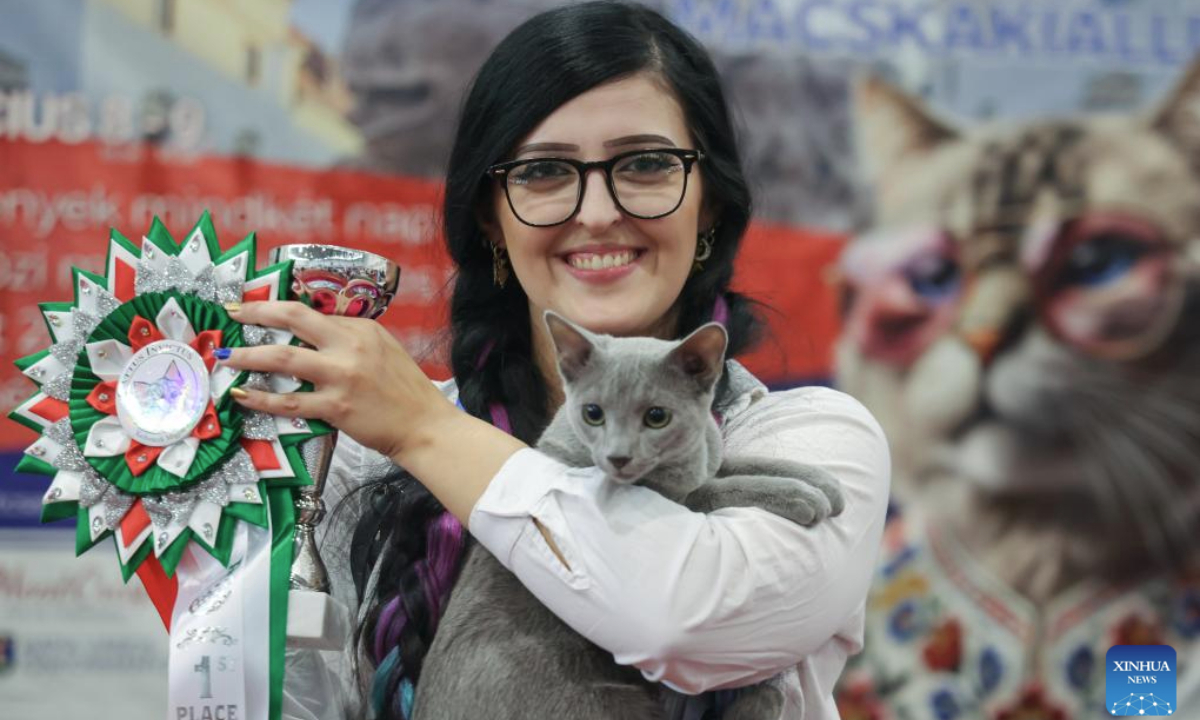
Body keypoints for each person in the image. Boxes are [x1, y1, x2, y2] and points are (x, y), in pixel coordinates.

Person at [216, 3, 891, 718]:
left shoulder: (813, 440)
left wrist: (423, 430)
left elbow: (683, 617)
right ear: (491, 219)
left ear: (711, 203)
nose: (596, 211)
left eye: (647, 164)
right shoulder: (362, 466)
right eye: (543, 172)